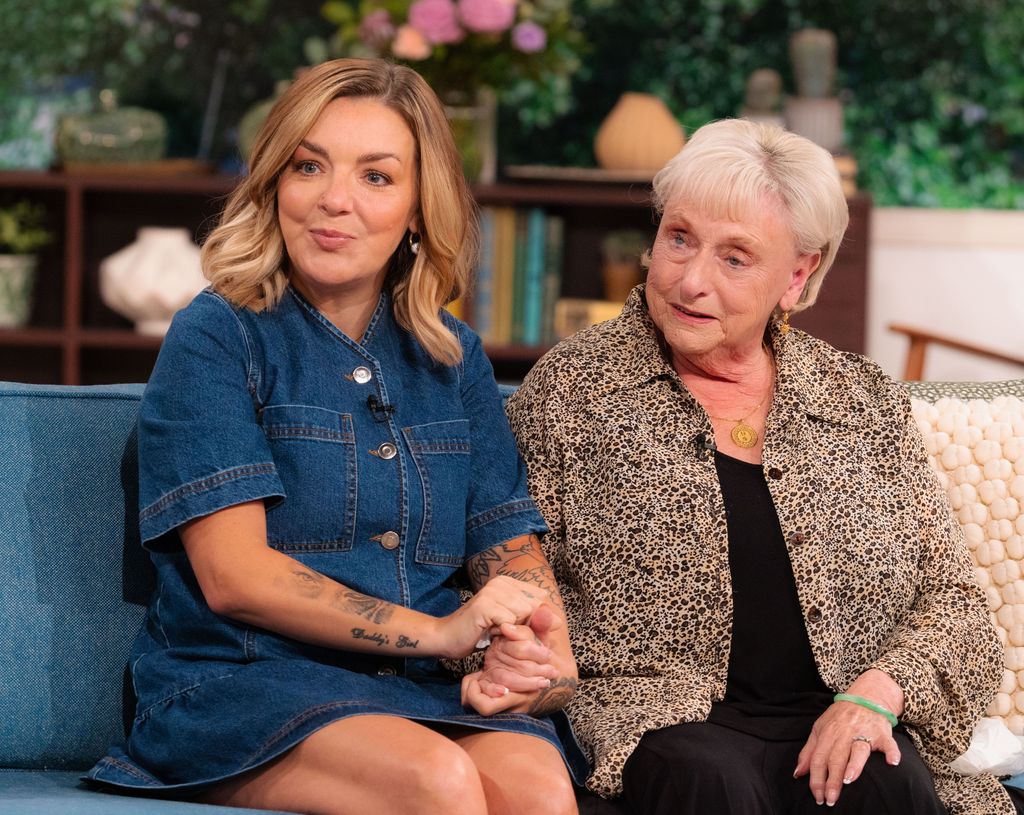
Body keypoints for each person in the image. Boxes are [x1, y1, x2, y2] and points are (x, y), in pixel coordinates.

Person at [85, 58, 586, 815]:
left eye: (376, 177)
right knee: (436, 779)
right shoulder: (217, 336)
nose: (333, 201)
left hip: (412, 688)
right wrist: (445, 634)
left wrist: (540, 658)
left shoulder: (453, 357)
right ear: (274, 183)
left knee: (541, 786)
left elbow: (509, 544)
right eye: (308, 165)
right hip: (241, 682)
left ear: (420, 207)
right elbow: (236, 576)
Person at [503, 118, 1011, 814]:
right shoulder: (570, 394)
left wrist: (875, 695)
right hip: (661, 728)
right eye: (678, 238)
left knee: (885, 781)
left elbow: (956, 604)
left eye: (735, 258)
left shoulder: (860, 400)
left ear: (797, 275)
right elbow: (509, 575)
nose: (690, 279)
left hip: (839, 718)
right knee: (709, 781)